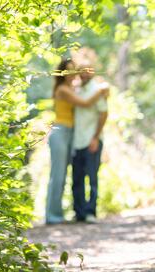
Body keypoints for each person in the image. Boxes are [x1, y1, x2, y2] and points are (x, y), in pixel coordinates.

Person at [45, 58, 109, 225]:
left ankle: (59, 214)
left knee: (64, 174)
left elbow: (90, 97)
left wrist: (103, 87)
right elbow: (86, 103)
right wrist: (102, 89)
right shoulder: (63, 90)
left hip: (71, 134)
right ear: (61, 72)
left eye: (73, 70)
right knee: (57, 175)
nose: (71, 74)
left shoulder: (73, 88)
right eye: (67, 71)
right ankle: (52, 215)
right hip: (60, 132)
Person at [71, 51, 109, 223]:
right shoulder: (76, 90)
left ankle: (90, 212)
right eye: (81, 70)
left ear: (92, 72)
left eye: (88, 70)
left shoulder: (97, 90)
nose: (84, 73)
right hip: (77, 141)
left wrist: (95, 137)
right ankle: (79, 213)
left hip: (92, 140)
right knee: (77, 179)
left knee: (92, 178)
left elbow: (103, 114)